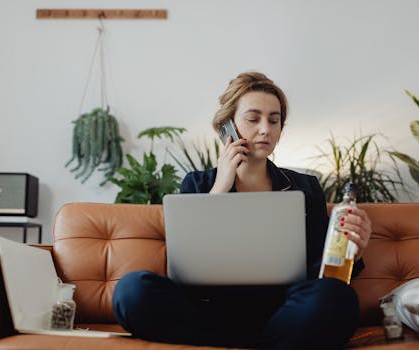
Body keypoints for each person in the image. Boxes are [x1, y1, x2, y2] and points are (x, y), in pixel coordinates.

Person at [113, 72, 372, 349]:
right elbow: (187, 262)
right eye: (253, 119)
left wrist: (351, 252)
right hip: (207, 312)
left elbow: (319, 274)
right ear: (228, 127)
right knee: (132, 290)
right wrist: (219, 189)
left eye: (274, 120)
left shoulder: (305, 187)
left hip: (285, 313)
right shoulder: (198, 184)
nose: (265, 129)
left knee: (337, 297)